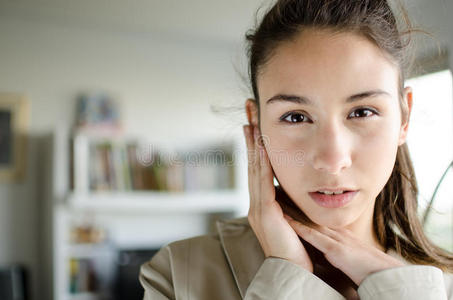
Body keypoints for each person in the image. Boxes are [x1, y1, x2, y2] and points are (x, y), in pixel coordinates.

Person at [139, 0, 453, 299]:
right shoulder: (180, 275)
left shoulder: (442, 288)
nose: (332, 161)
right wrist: (286, 277)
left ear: (404, 117)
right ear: (256, 123)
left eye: (362, 112)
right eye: (296, 117)